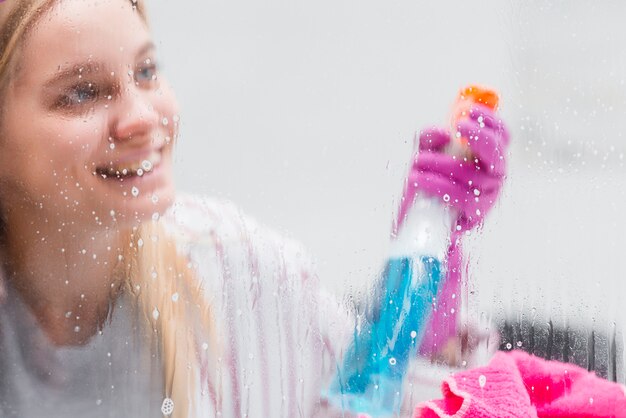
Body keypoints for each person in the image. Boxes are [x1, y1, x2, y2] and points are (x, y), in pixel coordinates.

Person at [0, 0, 509, 417]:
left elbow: (375, 397)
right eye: (84, 92)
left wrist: (427, 294)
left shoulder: (236, 270)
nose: (142, 117)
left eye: (146, 71)